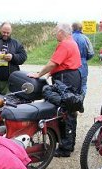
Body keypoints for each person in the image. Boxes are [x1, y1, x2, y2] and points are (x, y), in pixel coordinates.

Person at [28, 23, 82, 157]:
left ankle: (65, 148)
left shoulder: (64, 44)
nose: (55, 34)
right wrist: (48, 74)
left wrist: (39, 74)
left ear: (62, 32)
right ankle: (69, 144)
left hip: (66, 78)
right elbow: (61, 64)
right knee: (70, 110)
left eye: (56, 31)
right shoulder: (72, 43)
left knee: (65, 109)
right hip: (72, 76)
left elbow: (53, 63)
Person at [0, 22, 27, 94]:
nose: (5, 34)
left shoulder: (16, 43)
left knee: (7, 103)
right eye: (3, 32)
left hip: (9, 81)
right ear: (0, 29)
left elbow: (23, 57)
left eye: (8, 33)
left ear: (11, 32)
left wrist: (13, 57)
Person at [71, 22, 94, 95]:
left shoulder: (69, 38)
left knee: (72, 86)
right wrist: (84, 59)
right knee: (83, 86)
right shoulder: (85, 38)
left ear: (72, 28)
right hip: (83, 65)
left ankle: (73, 103)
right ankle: (81, 102)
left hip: (71, 66)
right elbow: (91, 53)